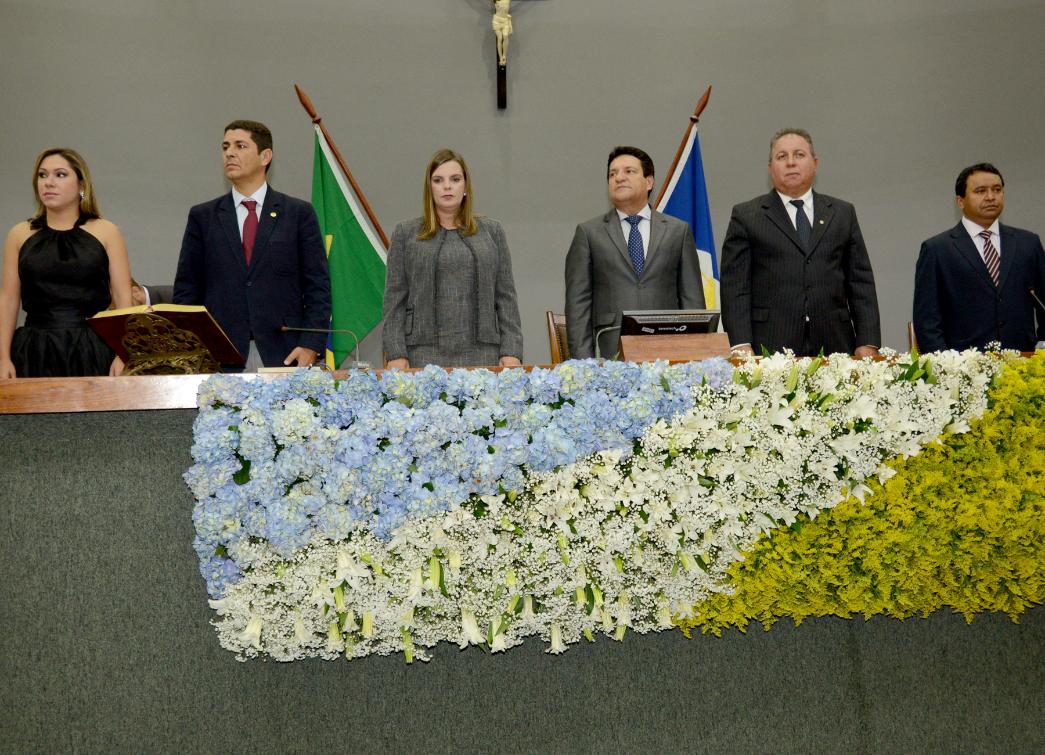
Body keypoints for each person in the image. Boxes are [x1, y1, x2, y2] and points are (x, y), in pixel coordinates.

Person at [173, 119, 330, 370]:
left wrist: (311, 344)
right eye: (225, 147)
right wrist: (191, 348)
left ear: (265, 156)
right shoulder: (203, 217)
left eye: (240, 146)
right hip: (219, 356)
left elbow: (318, 287)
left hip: (286, 353)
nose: (230, 153)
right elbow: (186, 290)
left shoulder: (298, 213)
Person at [720, 128, 880, 357]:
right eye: (782, 156)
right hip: (768, 346)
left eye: (799, 155)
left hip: (836, 344)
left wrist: (868, 341)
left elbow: (861, 281)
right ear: (770, 168)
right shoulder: (747, 216)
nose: (791, 163)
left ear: (815, 163)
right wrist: (740, 343)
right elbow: (735, 286)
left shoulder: (843, 213)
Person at [382, 148, 523, 369]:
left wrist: (512, 350)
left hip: (484, 354)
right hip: (421, 354)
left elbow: (506, 297)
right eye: (438, 180)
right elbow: (394, 300)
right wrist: (395, 353)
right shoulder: (405, 233)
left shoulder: (492, 232)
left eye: (455, 179)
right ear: (430, 188)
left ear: (465, 187)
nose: (447, 186)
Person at [0, 148, 132, 378]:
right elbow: (9, 299)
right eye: (42, 175)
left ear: (82, 185)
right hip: (34, 350)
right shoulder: (19, 234)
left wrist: (124, 354)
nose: (48, 182)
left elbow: (123, 299)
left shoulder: (107, 232)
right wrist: (3, 358)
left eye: (60, 174)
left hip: (93, 348)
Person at [564, 145, 705, 359]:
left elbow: (692, 299)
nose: (619, 178)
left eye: (629, 171)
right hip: (612, 354)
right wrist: (585, 365)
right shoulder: (588, 233)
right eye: (613, 174)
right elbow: (578, 304)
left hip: (669, 353)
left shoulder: (678, 231)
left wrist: (695, 357)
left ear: (649, 182)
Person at [913, 163, 1045, 352]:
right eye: (980, 191)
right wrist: (945, 369)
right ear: (960, 201)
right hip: (965, 368)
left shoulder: (1028, 243)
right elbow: (927, 321)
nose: (991, 197)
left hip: (1022, 363)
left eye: (997, 190)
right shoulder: (937, 249)